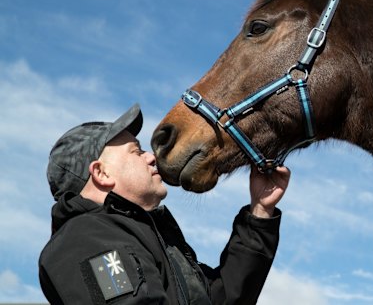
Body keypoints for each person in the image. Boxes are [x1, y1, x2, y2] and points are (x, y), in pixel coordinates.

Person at [38, 104, 290, 304]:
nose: (150, 157)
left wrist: (260, 210)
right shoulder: (85, 239)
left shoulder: (148, 236)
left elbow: (226, 297)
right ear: (101, 174)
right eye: (136, 152)